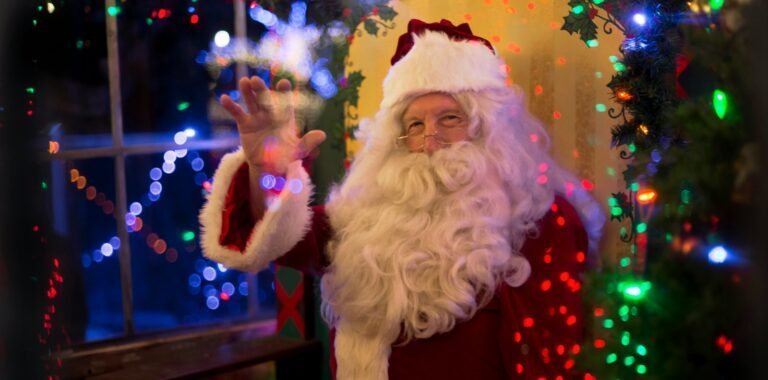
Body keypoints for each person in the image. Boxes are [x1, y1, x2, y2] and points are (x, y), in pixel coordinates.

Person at [200, 19, 604, 380]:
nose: (430, 137)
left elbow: (555, 357)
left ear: (488, 129)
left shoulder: (541, 218)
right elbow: (279, 237)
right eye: (415, 124)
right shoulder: (365, 212)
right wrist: (263, 170)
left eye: (449, 118)